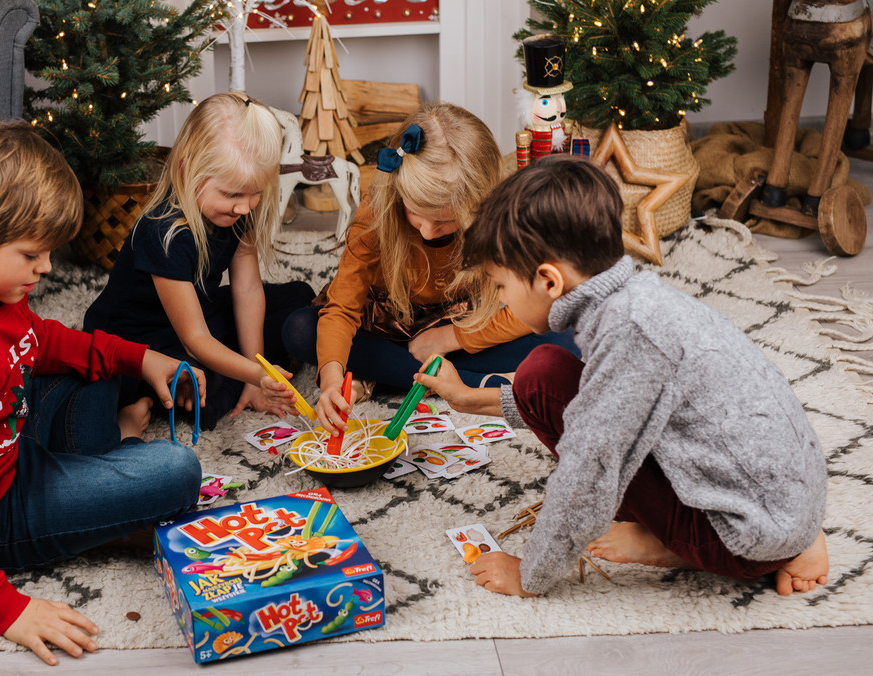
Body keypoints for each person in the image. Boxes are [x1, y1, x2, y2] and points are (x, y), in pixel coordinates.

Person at [415, 154, 829, 598]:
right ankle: (789, 537)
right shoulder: (634, 299)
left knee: (576, 431)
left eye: (499, 286)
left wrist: (531, 574)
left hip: (743, 539)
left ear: (549, 281)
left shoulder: (630, 334)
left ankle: (684, 545)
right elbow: (583, 399)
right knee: (542, 373)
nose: (501, 302)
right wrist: (468, 399)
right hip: (784, 502)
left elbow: (587, 474)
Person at [0, 121, 205, 666]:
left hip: (4, 439)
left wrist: (137, 358)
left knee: (105, 366)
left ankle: (101, 456)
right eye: (32, 255)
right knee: (176, 471)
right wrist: (6, 608)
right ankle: (105, 496)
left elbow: (35, 340)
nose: (46, 268)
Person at [281, 102, 578, 436]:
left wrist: (451, 337)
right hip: (383, 325)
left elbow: (532, 307)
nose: (426, 232)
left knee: (565, 342)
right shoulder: (376, 213)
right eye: (414, 213)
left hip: (458, 325)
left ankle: (398, 377)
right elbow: (342, 309)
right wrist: (331, 380)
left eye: (445, 221)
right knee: (300, 330)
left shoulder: (501, 219)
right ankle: (453, 381)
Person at [83, 92, 314, 430]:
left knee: (298, 297)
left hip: (197, 311)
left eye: (255, 192)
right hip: (140, 339)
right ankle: (146, 397)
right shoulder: (162, 231)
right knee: (206, 392)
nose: (245, 206)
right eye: (232, 194)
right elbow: (195, 338)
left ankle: (231, 375)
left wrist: (253, 374)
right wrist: (257, 371)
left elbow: (247, 291)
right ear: (187, 168)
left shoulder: (241, 212)